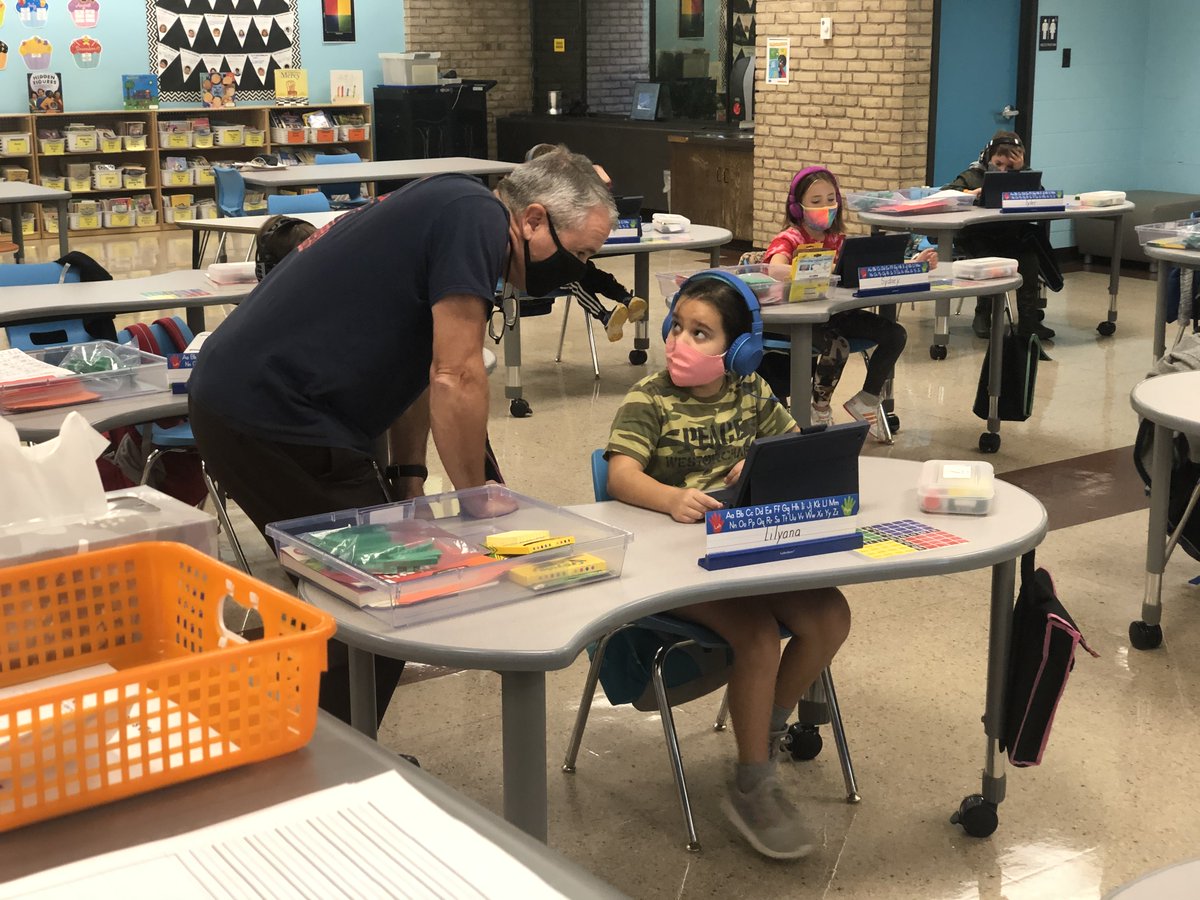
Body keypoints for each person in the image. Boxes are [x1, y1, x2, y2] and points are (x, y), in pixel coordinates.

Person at [189, 148, 616, 727]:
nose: (577, 271)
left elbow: (421, 366)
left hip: (262, 406)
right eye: (580, 254)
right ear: (533, 219)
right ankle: (327, 773)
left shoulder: (456, 207)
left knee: (342, 597)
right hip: (276, 416)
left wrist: (408, 476)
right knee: (382, 602)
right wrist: (477, 503)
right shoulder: (476, 223)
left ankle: (314, 752)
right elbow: (456, 374)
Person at [605, 271, 850, 859]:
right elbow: (619, 475)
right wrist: (669, 497)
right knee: (760, 639)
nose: (680, 343)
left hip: (744, 548)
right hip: (673, 564)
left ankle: (764, 727)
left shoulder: (753, 394)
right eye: (679, 328)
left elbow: (790, 450)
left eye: (701, 333)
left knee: (830, 616)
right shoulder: (649, 397)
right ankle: (752, 780)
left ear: (738, 351)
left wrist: (758, 471)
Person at [763, 165, 932, 439]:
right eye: (816, 202)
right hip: (799, 317)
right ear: (797, 208)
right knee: (837, 345)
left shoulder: (837, 240)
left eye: (831, 200)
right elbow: (774, 269)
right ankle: (819, 408)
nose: (826, 207)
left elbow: (863, 270)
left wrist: (914, 265)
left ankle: (866, 399)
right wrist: (811, 272)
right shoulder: (790, 238)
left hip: (836, 313)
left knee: (895, 334)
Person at [524, 142, 648, 341]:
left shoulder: (566, 193)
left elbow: (603, 180)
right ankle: (605, 316)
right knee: (576, 282)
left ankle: (627, 299)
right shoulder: (532, 199)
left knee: (596, 275)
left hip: (570, 261)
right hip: (545, 272)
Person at [943, 130, 1059, 341]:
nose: (1003, 170)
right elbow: (945, 194)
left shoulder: (1024, 176)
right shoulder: (972, 175)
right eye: (998, 163)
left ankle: (1028, 321)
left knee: (1030, 259)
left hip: (1009, 237)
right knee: (989, 260)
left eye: (1010, 166)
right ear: (988, 158)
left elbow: (1041, 196)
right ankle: (982, 314)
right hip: (976, 239)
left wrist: (1021, 170)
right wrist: (970, 194)